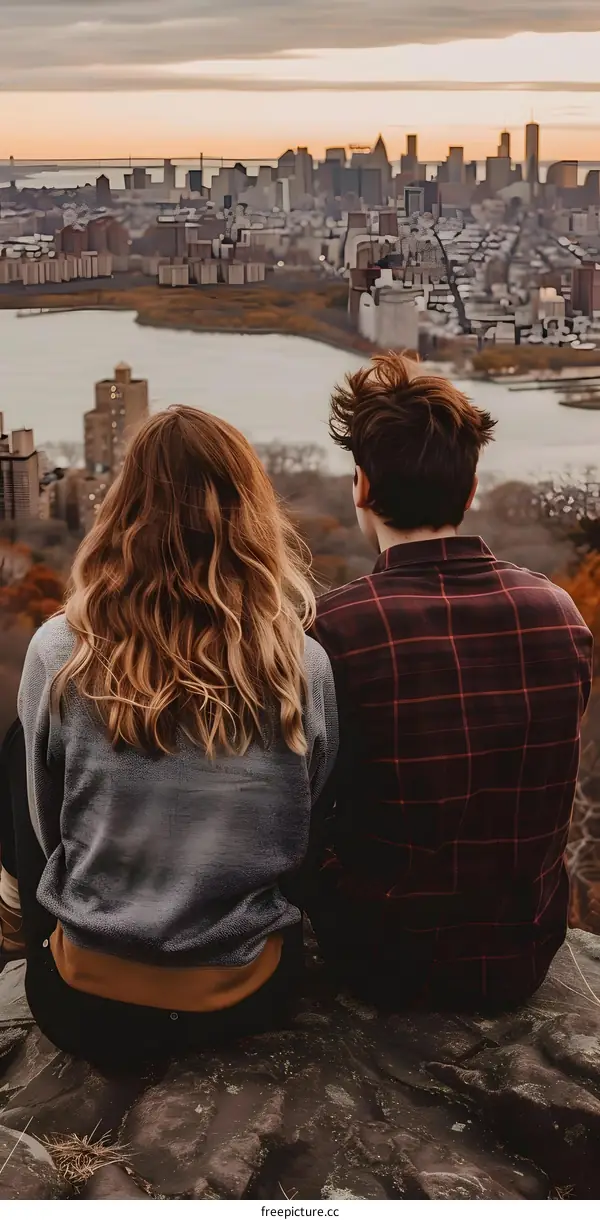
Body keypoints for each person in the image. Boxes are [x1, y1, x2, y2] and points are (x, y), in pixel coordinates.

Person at [2, 405, 337, 1068]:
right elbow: (311, 809)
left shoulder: (58, 648)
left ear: (126, 511)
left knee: (21, 746)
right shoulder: (301, 661)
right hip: (244, 994)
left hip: (87, 1004)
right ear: (249, 513)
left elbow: (48, 832)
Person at [309, 353, 593, 1011]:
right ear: (469, 493)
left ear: (361, 487)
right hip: (521, 956)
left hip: (381, 959)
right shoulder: (559, 612)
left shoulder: (334, 628)